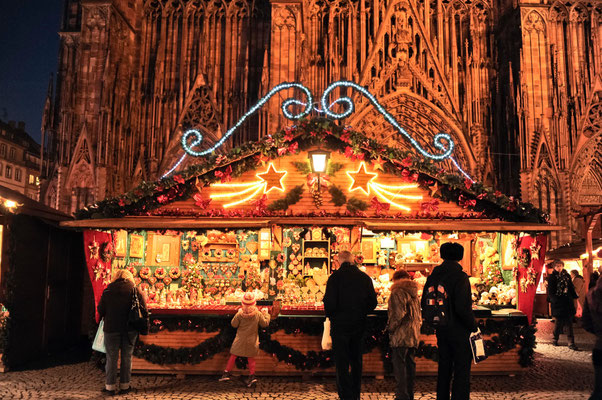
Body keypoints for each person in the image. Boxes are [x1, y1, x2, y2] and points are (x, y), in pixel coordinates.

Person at [421, 242, 477, 400]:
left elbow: (424, 301)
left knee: (444, 367)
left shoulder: (434, 276)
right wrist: (473, 326)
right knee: (461, 369)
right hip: (459, 330)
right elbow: (462, 307)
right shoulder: (460, 276)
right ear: (460, 257)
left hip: (442, 329)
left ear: (442, 255)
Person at [323, 250, 377, 400]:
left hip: (340, 326)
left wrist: (334, 315)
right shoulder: (364, 278)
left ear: (339, 261)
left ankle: (345, 395)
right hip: (358, 324)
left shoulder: (334, 278)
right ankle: (355, 394)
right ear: (353, 260)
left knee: (341, 362)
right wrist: (361, 312)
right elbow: (373, 302)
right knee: (356, 360)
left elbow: (329, 303)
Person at [97, 269, 147, 395]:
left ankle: (110, 387)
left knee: (111, 358)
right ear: (129, 277)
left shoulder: (108, 290)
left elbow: (101, 309)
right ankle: (125, 386)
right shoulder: (135, 291)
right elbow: (144, 310)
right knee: (127, 357)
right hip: (130, 329)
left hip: (111, 329)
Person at [219, 292, 272, 387]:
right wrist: (266, 314)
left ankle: (226, 373)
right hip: (252, 340)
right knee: (251, 358)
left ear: (242, 303)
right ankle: (252, 376)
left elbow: (233, 324)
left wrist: (237, 313)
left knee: (234, 355)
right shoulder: (258, 314)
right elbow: (264, 324)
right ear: (254, 303)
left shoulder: (240, 314)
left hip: (240, 339)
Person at [387, 270, 421, 400]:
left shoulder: (397, 292)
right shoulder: (414, 293)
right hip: (413, 333)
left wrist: (390, 328)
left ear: (396, 280)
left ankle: (402, 396)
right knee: (410, 364)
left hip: (401, 334)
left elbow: (398, 315)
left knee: (400, 365)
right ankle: (409, 394)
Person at [547, 260, 579, 350]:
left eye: (560, 265)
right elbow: (550, 291)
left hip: (567, 302)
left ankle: (571, 342)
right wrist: (554, 300)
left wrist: (575, 297)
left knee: (569, 323)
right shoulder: (552, 277)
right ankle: (555, 339)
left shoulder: (567, 276)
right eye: (557, 266)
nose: (559, 267)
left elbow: (571, 288)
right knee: (558, 322)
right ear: (554, 267)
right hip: (558, 303)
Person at [582, 276, 602, 400]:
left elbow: (586, 323)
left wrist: (599, 333)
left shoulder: (591, 296)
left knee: (599, 391)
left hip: (600, 347)